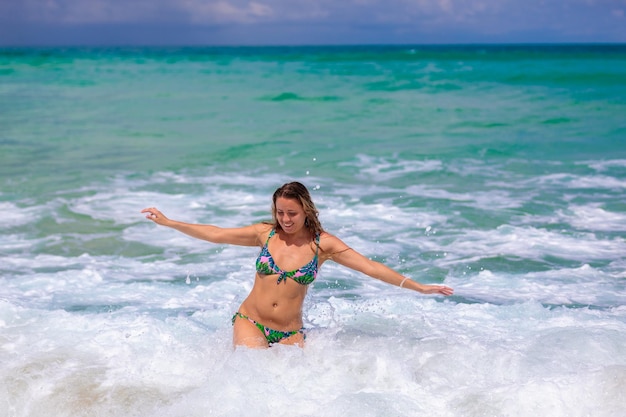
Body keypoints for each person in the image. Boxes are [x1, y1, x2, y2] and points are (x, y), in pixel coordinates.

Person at [141, 181, 453, 348]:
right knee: (253, 380)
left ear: (305, 211)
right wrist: (170, 223)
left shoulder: (323, 244)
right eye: (280, 212)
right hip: (251, 322)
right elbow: (217, 234)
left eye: (291, 213)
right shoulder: (265, 233)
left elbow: (370, 267)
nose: (285, 219)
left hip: (291, 333)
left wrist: (419, 287)